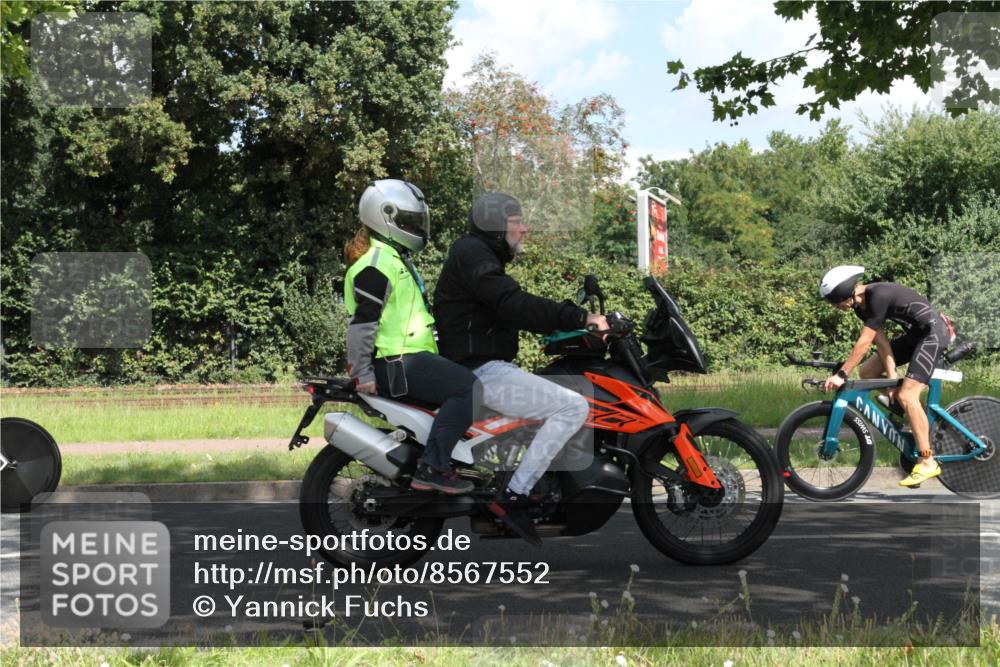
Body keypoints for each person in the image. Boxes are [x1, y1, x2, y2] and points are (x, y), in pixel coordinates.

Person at [433, 191, 608, 545]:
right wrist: (581, 317)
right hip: (480, 370)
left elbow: (510, 306)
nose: (525, 230)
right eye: (517, 223)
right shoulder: (474, 255)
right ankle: (514, 497)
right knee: (573, 405)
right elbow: (514, 304)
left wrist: (566, 326)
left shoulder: (478, 256)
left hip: (481, 366)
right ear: (497, 229)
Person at [344, 179, 480, 495]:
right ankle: (432, 468)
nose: (416, 227)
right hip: (397, 363)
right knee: (468, 389)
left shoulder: (393, 260)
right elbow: (363, 323)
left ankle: (443, 462)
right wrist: (361, 371)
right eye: (409, 221)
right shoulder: (376, 265)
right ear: (385, 217)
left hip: (407, 359)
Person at [818, 265, 956, 488]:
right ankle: (915, 417)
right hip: (915, 338)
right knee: (868, 372)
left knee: (908, 396)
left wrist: (842, 373)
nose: (835, 307)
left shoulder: (878, 295)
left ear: (844, 293)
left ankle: (928, 460)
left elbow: (863, 343)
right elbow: (881, 344)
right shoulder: (861, 307)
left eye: (834, 301)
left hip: (932, 335)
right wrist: (892, 380)